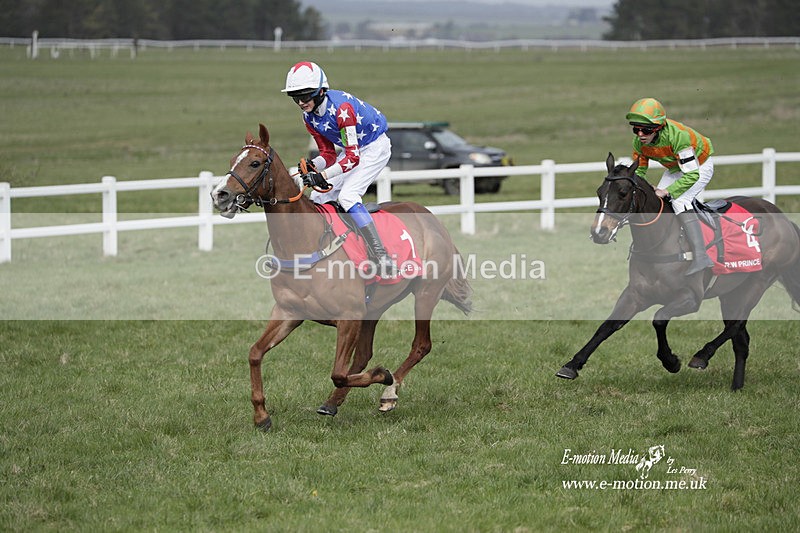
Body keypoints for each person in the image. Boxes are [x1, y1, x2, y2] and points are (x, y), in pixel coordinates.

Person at [281, 61, 397, 276]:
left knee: (348, 197)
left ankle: (382, 256)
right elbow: (328, 154)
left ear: (320, 91)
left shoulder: (342, 110)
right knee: (317, 198)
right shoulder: (308, 116)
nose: (300, 102)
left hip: (374, 148)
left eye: (305, 95)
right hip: (353, 150)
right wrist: (312, 166)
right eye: (295, 97)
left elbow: (352, 158)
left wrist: (322, 175)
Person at [626, 97, 715, 275]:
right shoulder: (639, 143)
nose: (640, 134)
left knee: (680, 200)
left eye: (646, 130)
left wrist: (668, 191)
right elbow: (640, 172)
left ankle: (701, 256)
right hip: (676, 167)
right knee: (659, 203)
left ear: (658, 128)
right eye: (636, 129)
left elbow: (692, 175)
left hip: (699, 166)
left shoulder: (678, 137)